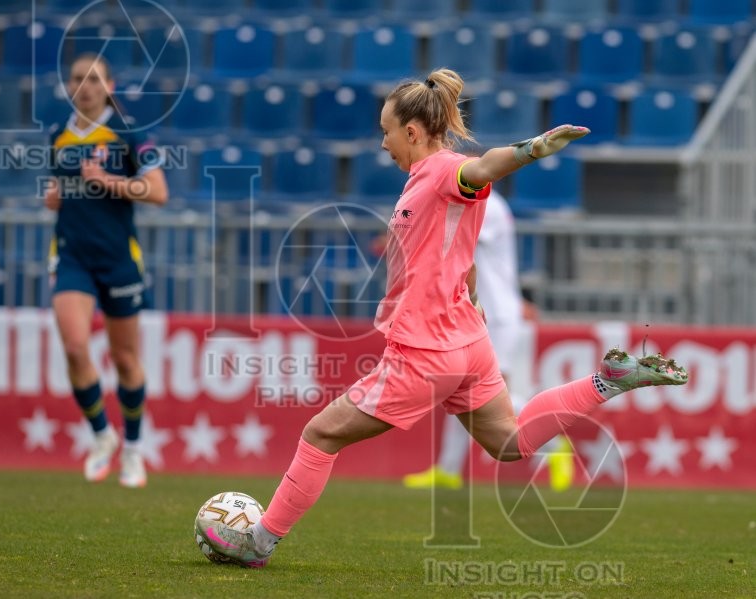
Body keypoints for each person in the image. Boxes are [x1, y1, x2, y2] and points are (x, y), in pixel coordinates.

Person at [196, 69, 687, 566]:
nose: (382, 142)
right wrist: (466, 296)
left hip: (426, 350)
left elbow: (482, 168)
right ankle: (607, 381)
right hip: (466, 342)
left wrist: (532, 148)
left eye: (386, 131)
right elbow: (461, 256)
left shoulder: (440, 171)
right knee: (511, 444)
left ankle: (258, 542)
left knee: (321, 434)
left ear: (411, 131)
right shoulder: (423, 186)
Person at [44, 54, 168, 488]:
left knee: (124, 359)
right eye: (78, 79)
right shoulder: (58, 136)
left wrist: (109, 182)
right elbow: (62, 184)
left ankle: (133, 450)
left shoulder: (129, 133)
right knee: (76, 347)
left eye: (94, 79)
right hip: (72, 255)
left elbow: (158, 192)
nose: (86, 87)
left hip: (118, 258)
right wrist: (57, 195)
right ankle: (101, 436)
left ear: (109, 86)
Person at [402, 190, 575, 492]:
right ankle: (448, 470)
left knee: (492, 395)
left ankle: (553, 444)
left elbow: (452, 240)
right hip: (488, 311)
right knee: (461, 389)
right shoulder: (485, 202)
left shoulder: (486, 205)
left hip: (493, 315)